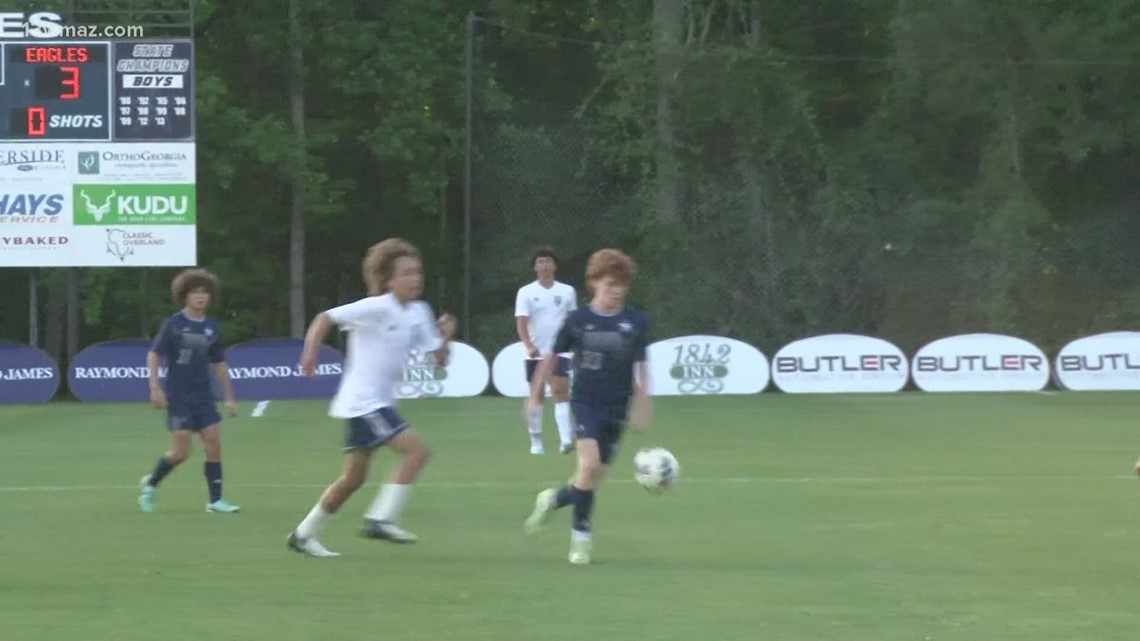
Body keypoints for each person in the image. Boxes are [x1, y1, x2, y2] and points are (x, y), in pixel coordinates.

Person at [287, 238, 456, 558]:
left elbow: (440, 360)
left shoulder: (420, 311)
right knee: (416, 453)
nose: (415, 278)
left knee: (353, 478)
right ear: (388, 280)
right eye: (406, 272)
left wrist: (445, 335)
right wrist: (309, 354)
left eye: (418, 271)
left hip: (378, 402)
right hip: (364, 402)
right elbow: (325, 317)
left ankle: (303, 535)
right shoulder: (378, 306)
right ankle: (380, 518)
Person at [522, 248, 652, 565]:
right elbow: (550, 359)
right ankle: (581, 539)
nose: (616, 291)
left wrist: (643, 402)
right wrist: (535, 396)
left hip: (618, 406)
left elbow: (641, 365)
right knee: (589, 465)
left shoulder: (636, 321)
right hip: (586, 403)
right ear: (594, 283)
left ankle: (553, 499)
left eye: (621, 285)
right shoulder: (578, 321)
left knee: (592, 478)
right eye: (610, 284)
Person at [139, 268, 240, 514]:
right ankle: (151, 484)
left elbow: (220, 363)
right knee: (181, 452)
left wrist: (229, 397)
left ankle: (215, 501)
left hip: (204, 397)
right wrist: (155, 388)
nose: (200, 297)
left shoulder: (211, 327)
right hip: (179, 397)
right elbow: (154, 354)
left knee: (213, 443)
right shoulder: (174, 324)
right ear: (184, 296)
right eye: (195, 292)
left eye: (205, 292)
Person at [515, 246, 578, 455]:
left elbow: (573, 321)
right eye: (540, 262)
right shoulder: (526, 292)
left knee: (561, 392)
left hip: (560, 351)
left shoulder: (567, 291)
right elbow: (522, 323)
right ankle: (536, 442)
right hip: (536, 352)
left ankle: (566, 440)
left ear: (555, 265)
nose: (544, 265)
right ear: (535, 267)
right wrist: (529, 345)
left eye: (548, 261)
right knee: (537, 396)